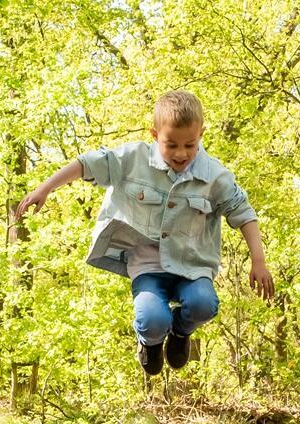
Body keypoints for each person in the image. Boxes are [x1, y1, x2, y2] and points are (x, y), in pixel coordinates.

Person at [14, 90, 275, 375]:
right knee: (152, 319)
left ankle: (180, 332)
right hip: (148, 265)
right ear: (154, 134)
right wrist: (45, 188)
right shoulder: (133, 159)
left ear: (201, 134)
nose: (181, 153)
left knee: (204, 304)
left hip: (193, 265)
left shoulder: (215, 176)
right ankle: (150, 341)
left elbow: (243, 212)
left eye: (190, 144)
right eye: (171, 144)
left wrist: (258, 261)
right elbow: (87, 163)